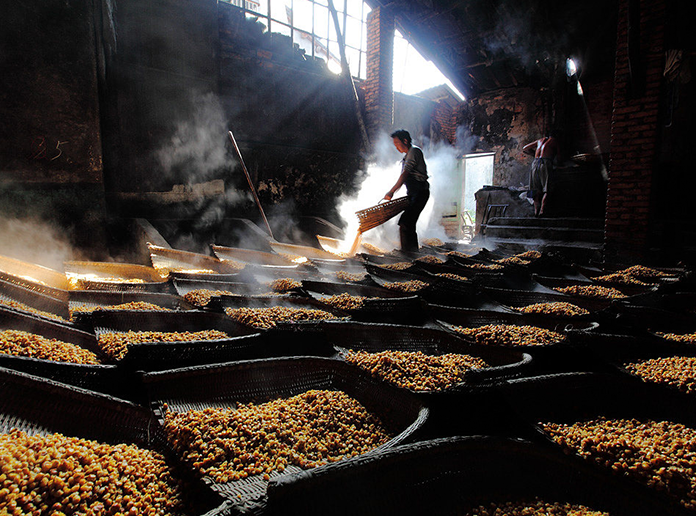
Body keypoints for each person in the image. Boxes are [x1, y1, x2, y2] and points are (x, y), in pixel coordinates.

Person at [384, 129, 430, 252]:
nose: (396, 147)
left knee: (406, 222)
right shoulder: (407, 155)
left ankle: (410, 254)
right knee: (407, 222)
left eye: (397, 143)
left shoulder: (414, 151)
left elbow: (405, 174)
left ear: (405, 140)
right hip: (414, 193)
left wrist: (391, 191)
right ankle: (410, 252)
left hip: (420, 192)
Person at [523, 134, 559, 217]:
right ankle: (542, 211)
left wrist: (534, 154)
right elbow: (560, 158)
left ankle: (536, 211)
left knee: (534, 189)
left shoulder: (539, 140)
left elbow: (524, 148)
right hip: (546, 163)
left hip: (535, 163)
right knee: (547, 188)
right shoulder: (554, 141)